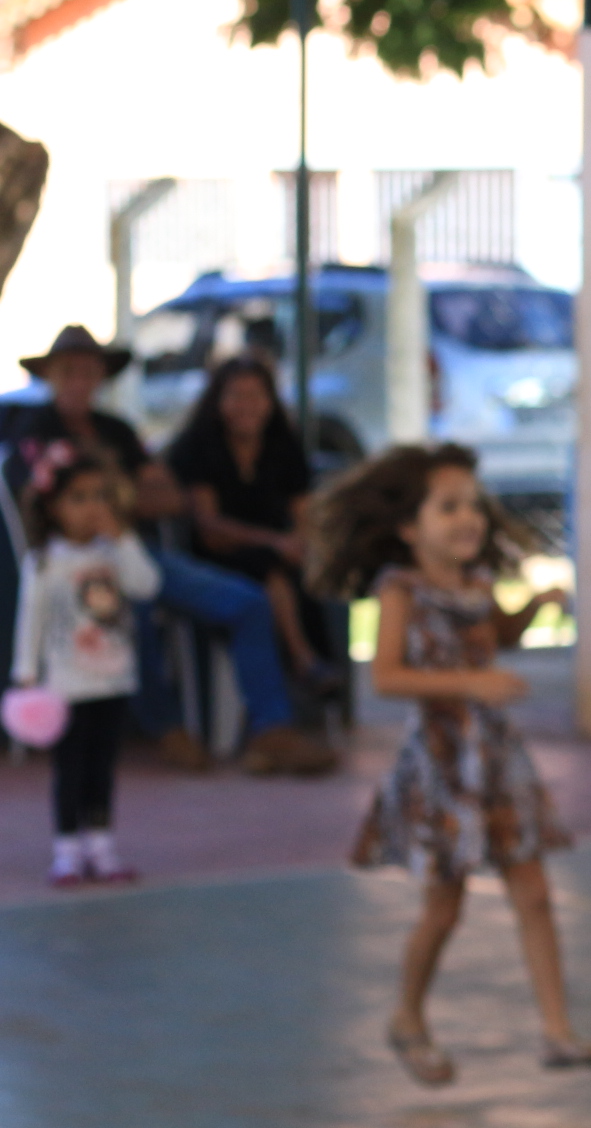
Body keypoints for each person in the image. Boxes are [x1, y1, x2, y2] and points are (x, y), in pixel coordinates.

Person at [312, 442, 591, 1086]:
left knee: (534, 892)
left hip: (498, 760)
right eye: (448, 507)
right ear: (410, 528)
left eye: (473, 505)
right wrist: (472, 685)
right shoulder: (400, 591)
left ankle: (557, 1031)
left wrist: (534, 608)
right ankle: (407, 1016)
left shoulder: (476, 585)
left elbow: (494, 635)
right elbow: (386, 676)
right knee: (444, 908)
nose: (468, 518)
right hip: (444, 765)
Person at [4, 326, 332, 775]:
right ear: (52, 376)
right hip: (75, 568)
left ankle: (271, 730)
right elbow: (43, 505)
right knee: (129, 610)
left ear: (102, 376)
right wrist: (119, 497)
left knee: (248, 602)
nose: (80, 380)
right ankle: (168, 730)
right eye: (69, 371)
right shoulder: (32, 428)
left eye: (88, 371)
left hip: (133, 552)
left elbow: (170, 495)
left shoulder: (116, 429)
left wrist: (108, 502)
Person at [12, 451, 161, 887]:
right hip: (67, 685)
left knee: (102, 765)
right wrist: (26, 675)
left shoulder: (115, 554)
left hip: (113, 679)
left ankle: (101, 845)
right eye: (78, 497)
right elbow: (31, 621)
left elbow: (147, 584)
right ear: (53, 505)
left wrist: (124, 538)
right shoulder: (44, 562)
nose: (93, 506)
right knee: (71, 768)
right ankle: (66, 850)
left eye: (100, 496)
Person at [162, 356, 339, 694]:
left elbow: (305, 512)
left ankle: (321, 691)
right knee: (270, 572)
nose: (248, 406)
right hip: (217, 557)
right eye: (237, 395)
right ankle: (304, 662)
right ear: (218, 401)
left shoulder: (283, 445)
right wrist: (274, 542)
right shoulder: (198, 447)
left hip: (278, 552)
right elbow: (209, 529)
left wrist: (300, 543)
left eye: (257, 395)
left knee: (311, 576)